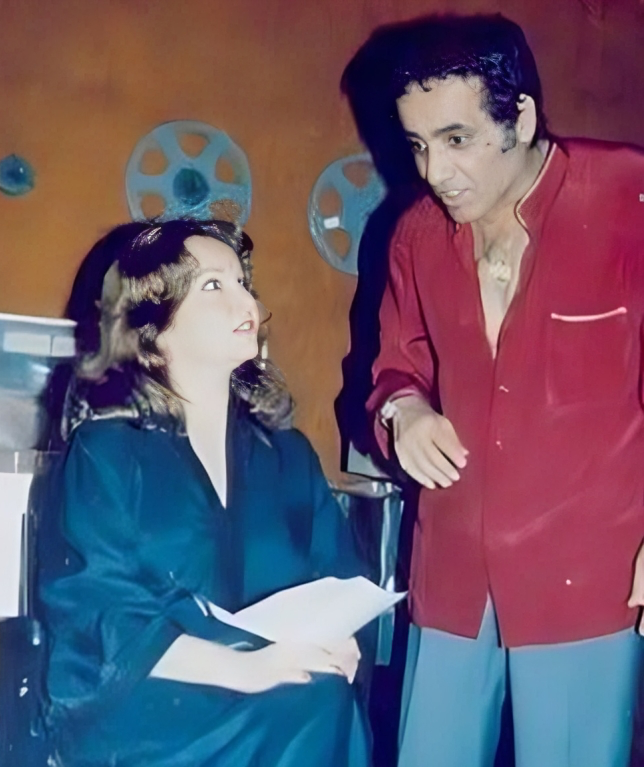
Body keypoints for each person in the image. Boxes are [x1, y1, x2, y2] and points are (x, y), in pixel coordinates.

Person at [363, 13, 644, 767]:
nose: (435, 171)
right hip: (452, 573)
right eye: (418, 145)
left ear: (519, 117)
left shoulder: (628, 198)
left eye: (457, 139)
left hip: (586, 569)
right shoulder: (416, 235)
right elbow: (394, 368)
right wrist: (404, 409)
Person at [36, 218, 374, 767]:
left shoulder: (288, 457)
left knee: (323, 697)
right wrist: (242, 669)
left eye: (243, 283)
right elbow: (96, 609)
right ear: (154, 327)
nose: (245, 302)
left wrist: (341, 638)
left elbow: (335, 573)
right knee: (309, 706)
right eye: (214, 285)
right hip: (149, 706)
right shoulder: (108, 453)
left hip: (278, 688)